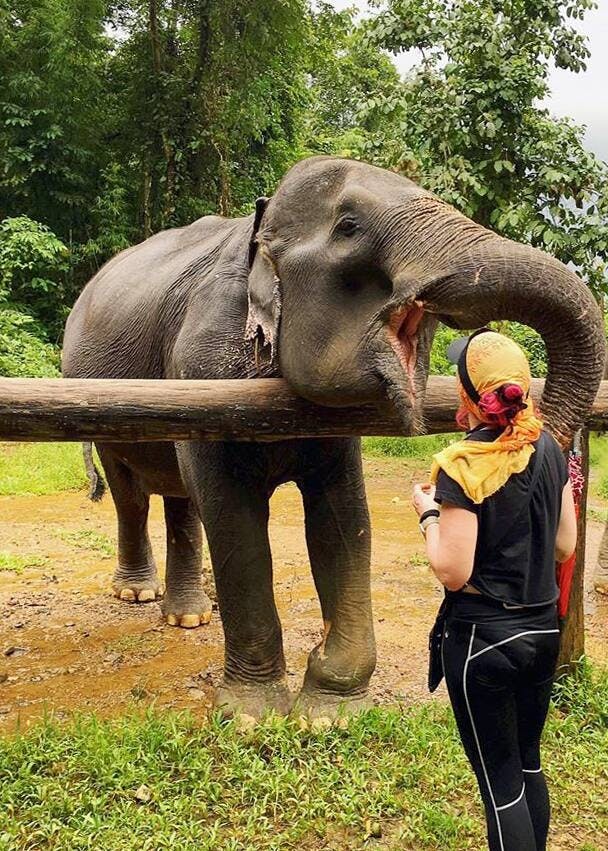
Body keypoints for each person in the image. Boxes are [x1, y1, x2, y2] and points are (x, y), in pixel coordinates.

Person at [412, 329, 577, 851]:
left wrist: (429, 515)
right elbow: (565, 544)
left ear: (468, 396)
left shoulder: (462, 464)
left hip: (485, 642)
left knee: (500, 789)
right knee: (528, 764)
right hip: (543, 632)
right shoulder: (549, 447)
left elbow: (452, 571)